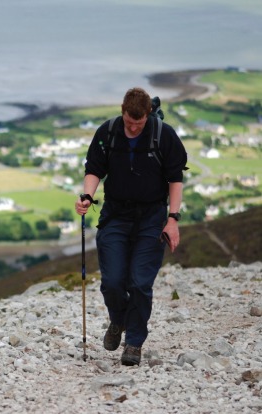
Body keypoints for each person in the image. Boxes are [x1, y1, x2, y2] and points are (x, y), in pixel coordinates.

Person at [75, 87, 187, 366]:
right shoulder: (109, 131)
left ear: (148, 114)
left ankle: (134, 342)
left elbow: (175, 179)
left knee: (140, 282)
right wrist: (87, 197)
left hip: (152, 217)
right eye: (129, 122)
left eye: (139, 123)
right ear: (122, 111)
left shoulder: (164, 135)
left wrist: (173, 219)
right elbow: (94, 169)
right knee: (112, 281)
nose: (134, 127)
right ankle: (118, 320)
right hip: (116, 215)